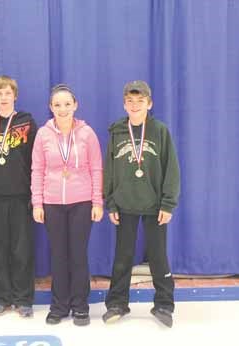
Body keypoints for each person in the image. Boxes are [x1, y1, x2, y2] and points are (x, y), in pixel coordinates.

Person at [102, 80, 180, 328]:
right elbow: (110, 169)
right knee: (122, 257)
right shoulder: (116, 132)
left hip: (154, 206)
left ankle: (164, 304)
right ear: (125, 104)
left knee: (158, 257)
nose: (135, 105)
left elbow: (172, 170)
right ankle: (117, 303)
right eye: (131, 101)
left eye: (141, 101)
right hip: (124, 205)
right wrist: (111, 203)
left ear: (149, 103)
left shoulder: (160, 131)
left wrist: (168, 203)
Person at [31, 84, 103, 326]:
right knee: (59, 255)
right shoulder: (43, 134)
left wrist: (97, 201)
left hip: (81, 202)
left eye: (67, 104)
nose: (62, 109)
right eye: (57, 105)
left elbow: (96, 168)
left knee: (78, 255)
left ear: (75, 106)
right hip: (52, 203)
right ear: (51, 107)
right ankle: (59, 305)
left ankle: (80, 306)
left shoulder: (87, 133)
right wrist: (37, 203)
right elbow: (37, 169)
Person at [0, 76, 37, 318]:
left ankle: (23, 298)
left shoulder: (27, 124)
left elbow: (36, 161)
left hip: (21, 196)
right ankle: (2, 296)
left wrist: (35, 195)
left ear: (15, 96)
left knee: (22, 250)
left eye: (7, 93)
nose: (3, 97)